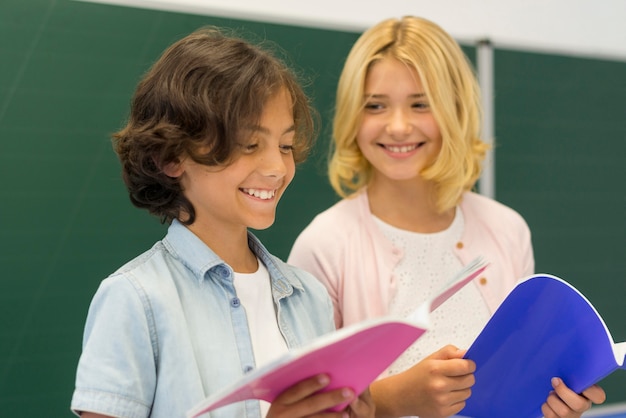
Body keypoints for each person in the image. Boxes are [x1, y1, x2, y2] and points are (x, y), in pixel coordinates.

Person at [288, 16, 606, 418]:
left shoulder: (507, 230)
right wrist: (397, 399)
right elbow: (301, 409)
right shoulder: (325, 245)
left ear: (455, 109)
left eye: (421, 104)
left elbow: (520, 382)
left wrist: (552, 404)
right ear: (353, 114)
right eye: (375, 105)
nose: (398, 126)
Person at [70, 27, 374, 418]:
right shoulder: (134, 300)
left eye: (285, 145)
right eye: (250, 145)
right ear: (171, 157)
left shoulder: (309, 296)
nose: (276, 167)